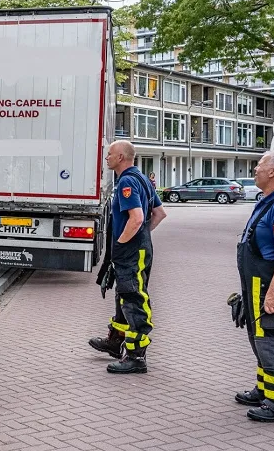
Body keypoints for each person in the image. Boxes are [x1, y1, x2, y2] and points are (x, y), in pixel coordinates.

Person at [90, 141, 167, 373]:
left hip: (131, 252)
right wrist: (142, 235)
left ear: (121, 157)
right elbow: (159, 213)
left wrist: (125, 242)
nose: (106, 158)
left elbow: (137, 217)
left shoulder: (127, 181)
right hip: (138, 248)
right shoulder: (142, 178)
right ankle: (116, 341)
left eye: (110, 154)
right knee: (124, 295)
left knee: (134, 298)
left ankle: (136, 357)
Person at [234, 151, 274, 422]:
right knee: (260, 340)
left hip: (269, 286)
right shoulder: (267, 202)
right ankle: (266, 389)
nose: (255, 169)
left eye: (260, 165)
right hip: (256, 284)